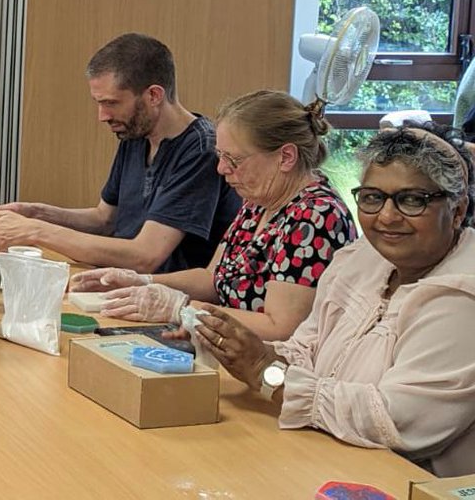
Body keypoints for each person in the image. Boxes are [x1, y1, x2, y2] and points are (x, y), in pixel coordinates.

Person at [197, 123, 475, 475]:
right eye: (373, 197)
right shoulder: (360, 259)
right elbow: (307, 350)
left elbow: (392, 421)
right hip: (326, 457)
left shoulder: (463, 296)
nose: (387, 217)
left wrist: (265, 372)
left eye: (411, 200)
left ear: (458, 210)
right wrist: (225, 344)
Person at [72, 90, 357, 339]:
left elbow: (281, 328)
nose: (221, 169)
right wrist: (141, 282)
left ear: (285, 157)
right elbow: (213, 279)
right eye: (220, 156)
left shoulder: (316, 217)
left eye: (233, 159)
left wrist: (180, 309)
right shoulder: (259, 201)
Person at [0, 33, 241, 273]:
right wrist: (36, 213)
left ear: (153, 95)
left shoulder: (200, 150)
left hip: (164, 298)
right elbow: (105, 219)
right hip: (122, 284)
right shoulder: (135, 132)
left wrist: (36, 231)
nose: (102, 116)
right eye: (99, 103)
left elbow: (146, 255)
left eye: (111, 103)